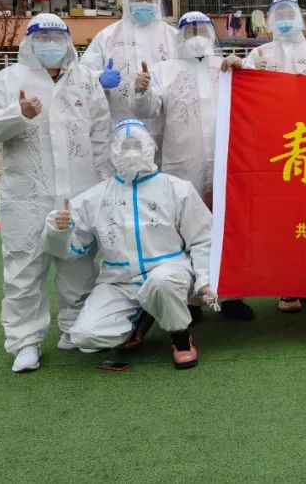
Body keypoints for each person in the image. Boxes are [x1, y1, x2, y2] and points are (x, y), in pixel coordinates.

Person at [0, 14, 111, 372]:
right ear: (30, 42)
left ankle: (73, 327)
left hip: (78, 192)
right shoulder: (10, 79)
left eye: (57, 37)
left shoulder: (85, 80)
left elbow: (101, 133)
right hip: (27, 195)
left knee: (79, 264)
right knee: (23, 268)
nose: (51, 44)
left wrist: (101, 182)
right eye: (43, 37)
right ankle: (25, 342)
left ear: (68, 41)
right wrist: (16, 113)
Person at [44, 119, 214, 370]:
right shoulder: (95, 197)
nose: (131, 153)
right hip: (119, 281)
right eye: (124, 147)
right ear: (113, 151)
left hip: (170, 271)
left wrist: (204, 279)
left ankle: (180, 336)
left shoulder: (177, 189)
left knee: (162, 282)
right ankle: (142, 315)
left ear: (150, 146)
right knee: (86, 337)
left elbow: (202, 238)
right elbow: (73, 249)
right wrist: (59, 230)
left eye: (137, 145)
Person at [132, 12, 252, 321]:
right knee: (185, 229)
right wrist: (142, 89)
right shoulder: (164, 71)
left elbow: (254, 96)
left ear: (212, 34)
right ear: (180, 36)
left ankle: (231, 294)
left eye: (202, 29)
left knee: (228, 226)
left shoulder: (226, 66)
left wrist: (244, 69)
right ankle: (191, 298)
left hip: (226, 162)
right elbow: (148, 109)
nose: (196, 36)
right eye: (189, 31)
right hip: (183, 164)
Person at [244, 0, 306, 314]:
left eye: (288, 14)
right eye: (278, 15)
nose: (284, 20)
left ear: (300, 18)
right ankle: (287, 285)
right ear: (270, 20)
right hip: (275, 148)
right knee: (283, 217)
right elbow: (243, 95)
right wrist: (246, 71)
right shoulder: (260, 54)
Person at [79, 0, 177, 145]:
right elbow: (82, 74)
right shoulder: (108, 36)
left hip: (165, 129)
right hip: (119, 128)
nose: (144, 3)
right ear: (127, 1)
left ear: (157, 1)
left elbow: (193, 69)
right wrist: (99, 78)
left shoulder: (173, 37)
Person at [244, 0, 306, 78]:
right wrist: (253, 69)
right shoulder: (260, 52)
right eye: (280, 16)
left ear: (298, 18)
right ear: (273, 21)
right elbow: (243, 73)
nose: (285, 20)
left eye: (290, 15)